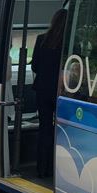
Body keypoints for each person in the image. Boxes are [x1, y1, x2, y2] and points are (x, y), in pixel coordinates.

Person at [31, 9, 67, 180]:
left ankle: (41, 169)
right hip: (61, 91)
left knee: (44, 128)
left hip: (42, 90)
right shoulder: (69, 43)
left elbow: (35, 67)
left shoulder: (41, 40)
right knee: (61, 130)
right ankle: (56, 169)